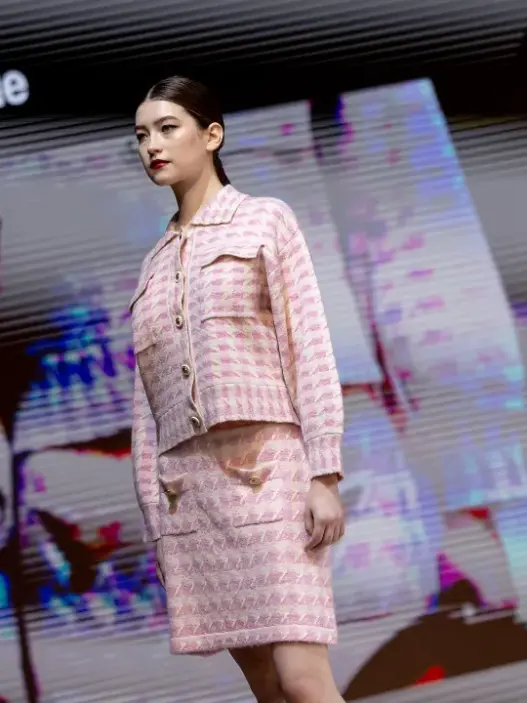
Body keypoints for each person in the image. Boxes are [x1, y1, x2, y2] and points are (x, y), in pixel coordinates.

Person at [131, 74, 346, 703]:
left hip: (270, 475)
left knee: (303, 679)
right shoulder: (152, 265)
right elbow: (146, 409)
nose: (152, 145)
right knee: (268, 689)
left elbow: (308, 346)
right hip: (191, 499)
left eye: (167, 128)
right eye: (141, 135)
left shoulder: (264, 220)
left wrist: (324, 474)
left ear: (212, 135)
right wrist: (156, 524)